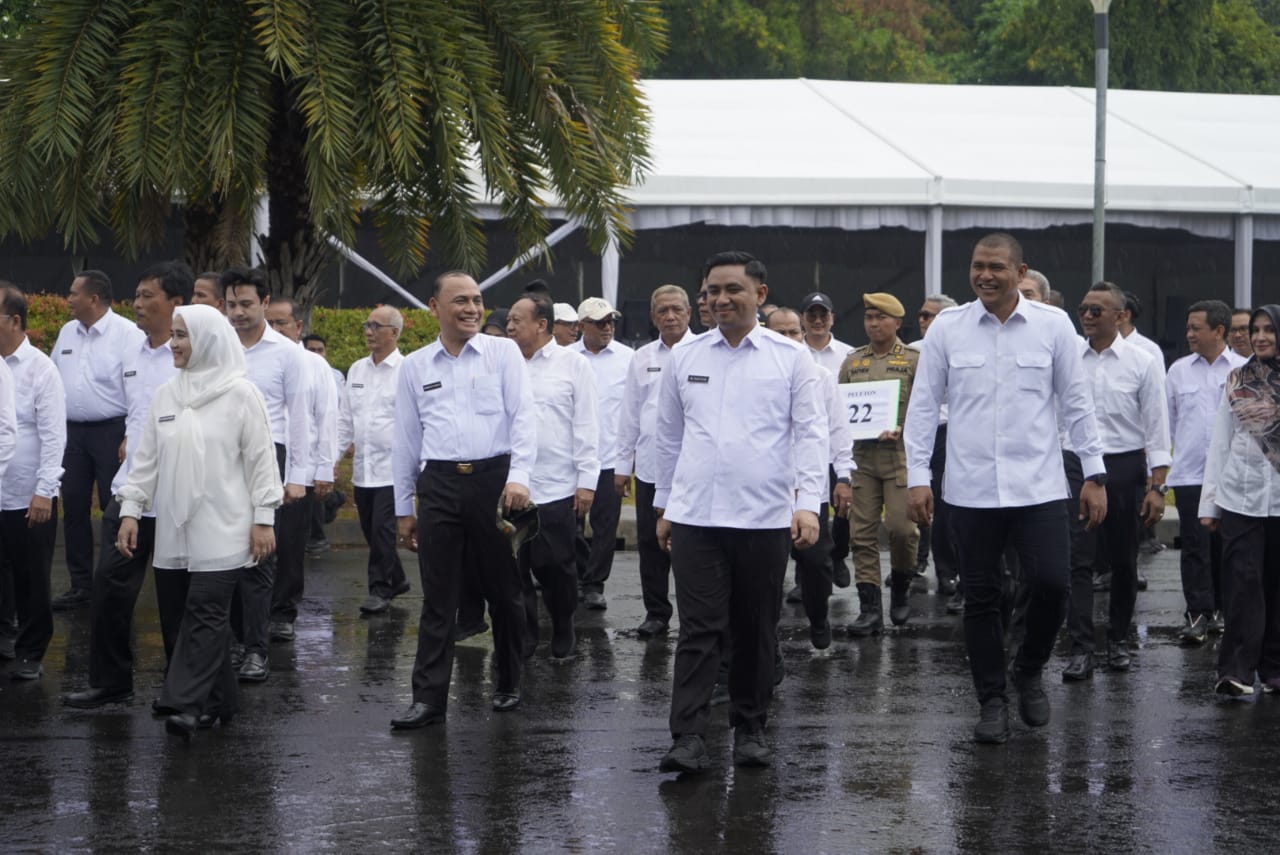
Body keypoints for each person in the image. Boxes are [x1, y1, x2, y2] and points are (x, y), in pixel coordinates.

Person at [906, 232, 1107, 745]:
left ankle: (1030, 668)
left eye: (997, 266)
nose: (985, 275)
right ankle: (991, 699)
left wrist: (1094, 474)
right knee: (981, 598)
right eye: (978, 266)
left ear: (1021, 273)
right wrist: (916, 478)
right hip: (970, 490)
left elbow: (1077, 401)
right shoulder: (948, 330)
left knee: (1052, 585)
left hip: (1038, 485)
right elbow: (924, 407)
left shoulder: (1052, 325)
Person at [655, 251, 825, 773]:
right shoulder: (685, 357)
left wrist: (807, 505)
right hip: (696, 518)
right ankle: (687, 736)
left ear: (761, 294)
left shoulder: (791, 357)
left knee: (755, 628)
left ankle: (750, 728)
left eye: (733, 289)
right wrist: (664, 505)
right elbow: (667, 437)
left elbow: (810, 433)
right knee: (699, 628)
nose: (721, 299)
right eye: (712, 290)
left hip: (764, 518)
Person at [116, 304, 283, 740]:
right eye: (172, 335)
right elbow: (145, 461)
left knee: (206, 613)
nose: (172, 344)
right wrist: (131, 510)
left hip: (226, 526)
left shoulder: (241, 394)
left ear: (208, 339)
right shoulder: (165, 395)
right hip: (174, 527)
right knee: (176, 619)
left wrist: (264, 518)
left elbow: (262, 461)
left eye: (182, 336)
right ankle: (219, 701)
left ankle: (185, 704)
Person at [390, 271, 535, 729]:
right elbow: (406, 442)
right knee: (438, 596)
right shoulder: (415, 366)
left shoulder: (503, 353)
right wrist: (403, 509)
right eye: (460, 301)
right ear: (434, 308)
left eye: (476, 300)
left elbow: (524, 417)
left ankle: (510, 681)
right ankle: (429, 699)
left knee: (504, 590)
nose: (472, 308)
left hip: (494, 483)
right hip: (440, 486)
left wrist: (520, 479)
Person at [64, 263, 193, 708]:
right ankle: (111, 681)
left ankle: (182, 692)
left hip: (180, 495)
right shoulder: (134, 353)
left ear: (176, 303)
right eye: (136, 296)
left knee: (178, 600)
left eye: (147, 296)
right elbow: (135, 412)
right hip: (132, 491)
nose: (138, 304)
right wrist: (127, 440)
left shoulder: (192, 355)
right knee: (111, 589)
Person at [1063, 282, 1171, 679]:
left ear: (1120, 315)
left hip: (1124, 465)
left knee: (1124, 559)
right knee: (1078, 559)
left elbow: (1157, 427)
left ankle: (1119, 640)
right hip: (1075, 463)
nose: (1088, 317)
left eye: (1097, 311)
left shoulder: (1142, 361)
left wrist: (1157, 486)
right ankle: (1081, 646)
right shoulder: (1068, 358)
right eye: (1083, 309)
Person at [222, 268, 310, 683]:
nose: (237, 312)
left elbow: (299, 418)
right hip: (219, 459)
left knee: (259, 556)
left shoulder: (286, 352)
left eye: (246, 304)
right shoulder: (216, 345)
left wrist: (297, 477)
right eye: (231, 304)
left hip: (267, 459)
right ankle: (235, 641)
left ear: (264, 301)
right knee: (223, 556)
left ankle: (256, 650)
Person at [507, 295, 599, 660]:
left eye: (517, 320)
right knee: (514, 570)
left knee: (556, 567)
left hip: (557, 485)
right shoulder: (503, 364)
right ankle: (526, 636)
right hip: (511, 488)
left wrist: (587, 480)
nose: (509, 326)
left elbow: (588, 424)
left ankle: (563, 626)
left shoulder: (573, 365)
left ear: (541, 324)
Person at [50, 270, 146, 610]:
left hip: (112, 432)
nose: (68, 299)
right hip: (72, 434)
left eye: (74, 293)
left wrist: (130, 435)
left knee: (113, 506)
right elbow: (53, 380)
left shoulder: (128, 335)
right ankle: (81, 586)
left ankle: (112, 582)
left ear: (93, 298)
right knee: (73, 507)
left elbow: (138, 389)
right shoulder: (66, 332)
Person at [1199, 305, 1280, 696]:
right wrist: (1209, 505)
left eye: (1269, 330)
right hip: (1239, 498)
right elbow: (1220, 444)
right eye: (1256, 330)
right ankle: (1236, 671)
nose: (1261, 336)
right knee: (1242, 585)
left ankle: (1275, 668)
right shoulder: (1238, 380)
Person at [764, 307, 853, 650]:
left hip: (808, 485)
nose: (789, 340)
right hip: (767, 488)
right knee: (767, 572)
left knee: (816, 563)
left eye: (794, 333)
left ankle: (818, 618)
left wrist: (843, 475)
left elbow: (836, 430)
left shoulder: (819, 376)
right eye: (780, 334)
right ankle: (767, 643)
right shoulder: (754, 375)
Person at [613, 285, 693, 638]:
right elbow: (630, 412)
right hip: (648, 466)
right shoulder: (641, 357)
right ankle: (656, 613)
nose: (670, 316)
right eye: (663, 310)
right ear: (652, 316)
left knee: (691, 546)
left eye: (677, 309)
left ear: (689, 313)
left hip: (692, 467)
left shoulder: (704, 352)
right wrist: (621, 465)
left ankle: (694, 616)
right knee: (649, 542)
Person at [1165, 300, 1245, 645]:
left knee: (1228, 547)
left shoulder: (1244, 369)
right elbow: (1167, 423)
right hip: (1189, 475)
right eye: (1188, 328)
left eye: (1196, 328)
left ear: (1219, 331)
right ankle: (1197, 613)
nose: (1189, 334)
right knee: (1195, 547)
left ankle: (1225, 611)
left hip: (1232, 475)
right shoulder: (1178, 371)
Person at [841, 293, 920, 634]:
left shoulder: (914, 361)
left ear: (897, 323)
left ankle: (901, 584)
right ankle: (869, 608)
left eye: (881, 317)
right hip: (862, 458)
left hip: (900, 455)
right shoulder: (853, 361)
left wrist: (905, 428)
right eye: (869, 317)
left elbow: (926, 408)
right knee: (861, 534)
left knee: (902, 530)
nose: (873, 323)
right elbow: (839, 409)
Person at [264, 296, 337, 642]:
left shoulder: (314, 364)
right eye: (271, 323)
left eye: (282, 324)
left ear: (299, 327)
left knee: (291, 546)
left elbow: (326, 419)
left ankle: (283, 612)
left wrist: (324, 469)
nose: (276, 330)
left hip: (301, 471)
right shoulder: (256, 360)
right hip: (262, 465)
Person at [0, 285, 57, 680]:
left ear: (14, 320)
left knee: (30, 574)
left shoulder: (40, 368)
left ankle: (32, 651)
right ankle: (4, 636)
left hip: (27, 492)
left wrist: (44, 489)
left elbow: (54, 435)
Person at [337, 306, 410, 616]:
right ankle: (398, 578)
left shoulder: (408, 370)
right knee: (371, 529)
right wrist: (332, 459)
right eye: (367, 325)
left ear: (393, 332)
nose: (368, 331)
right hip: (363, 469)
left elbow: (415, 423)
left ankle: (379, 589)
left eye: (375, 326)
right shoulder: (356, 370)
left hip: (392, 469)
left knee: (382, 530)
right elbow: (345, 420)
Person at [570, 296, 634, 610]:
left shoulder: (628, 358)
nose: (607, 327)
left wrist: (629, 457)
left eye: (610, 321)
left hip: (610, 456)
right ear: (581, 326)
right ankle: (578, 573)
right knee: (569, 525)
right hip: (571, 458)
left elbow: (634, 409)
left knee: (606, 526)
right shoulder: (564, 357)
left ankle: (594, 584)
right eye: (600, 322)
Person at [801, 291, 856, 590]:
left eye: (824, 314)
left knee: (843, 506)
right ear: (804, 319)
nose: (818, 320)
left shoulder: (850, 354)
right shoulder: (794, 354)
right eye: (812, 315)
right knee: (808, 507)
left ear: (832, 318)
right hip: (807, 444)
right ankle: (805, 571)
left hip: (839, 440)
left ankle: (838, 554)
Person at [912, 294, 960, 608]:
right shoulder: (911, 352)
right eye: (923, 314)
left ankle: (948, 572)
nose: (925, 321)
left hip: (950, 433)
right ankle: (914, 564)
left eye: (932, 316)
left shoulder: (964, 347)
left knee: (946, 505)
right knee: (915, 498)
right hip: (916, 434)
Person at [303, 332, 345, 553]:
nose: (317, 354)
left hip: (329, 438)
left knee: (318, 492)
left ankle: (317, 536)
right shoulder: (300, 371)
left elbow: (339, 413)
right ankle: (335, 500)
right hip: (309, 440)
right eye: (312, 350)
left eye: (320, 350)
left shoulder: (336, 376)